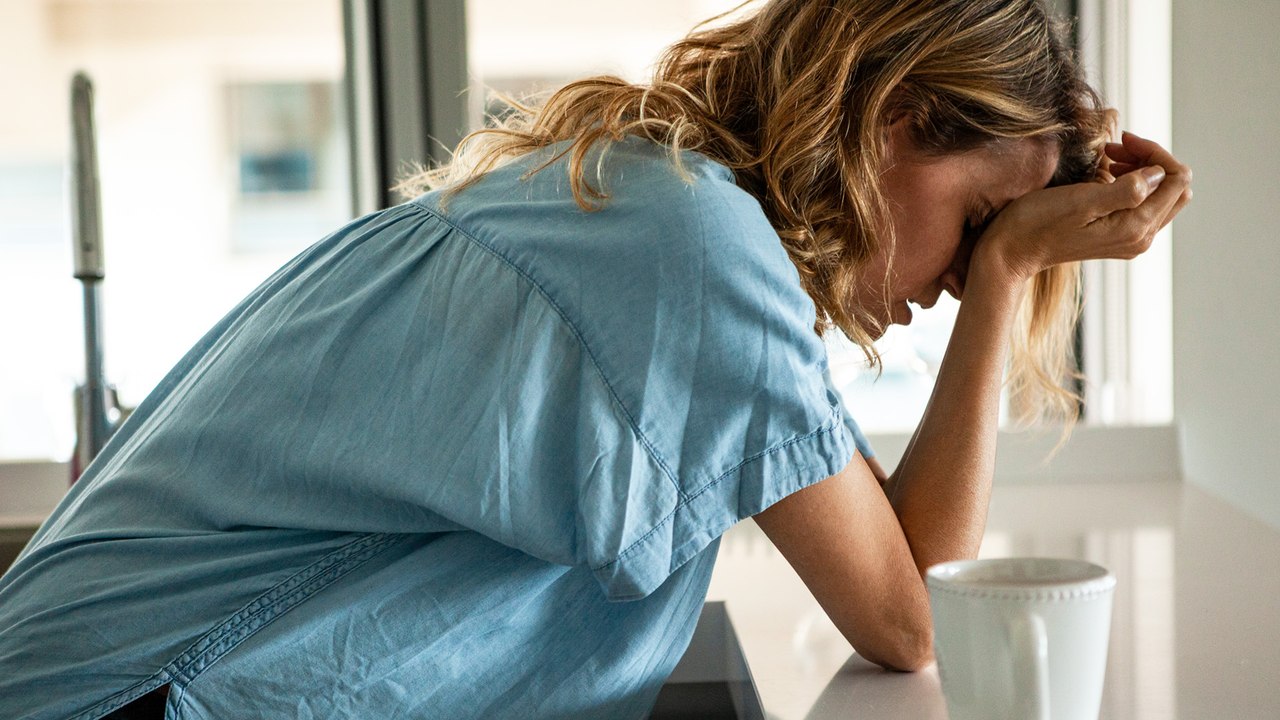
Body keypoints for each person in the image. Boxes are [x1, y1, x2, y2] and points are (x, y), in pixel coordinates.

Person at [0, 1, 1191, 718]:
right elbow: (910, 614)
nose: (947, 280)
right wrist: (1003, 281)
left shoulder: (658, 206)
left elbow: (905, 575)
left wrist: (1002, 259)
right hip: (145, 696)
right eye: (979, 218)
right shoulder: (690, 244)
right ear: (893, 120)